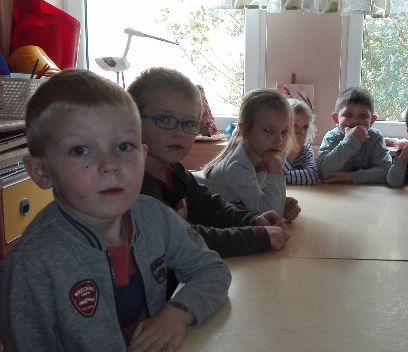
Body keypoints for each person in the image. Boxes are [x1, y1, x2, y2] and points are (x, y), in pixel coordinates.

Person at [0, 69, 232, 352]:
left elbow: (212, 270)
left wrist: (178, 312)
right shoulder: (31, 265)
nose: (110, 165)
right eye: (80, 150)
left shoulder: (154, 217)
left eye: (123, 147)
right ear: (41, 171)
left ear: (142, 152)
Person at [128, 68, 289, 264]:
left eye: (189, 123)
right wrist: (257, 237)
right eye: (164, 119)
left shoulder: (174, 169)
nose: (179, 132)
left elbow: (210, 206)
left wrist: (252, 219)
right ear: (132, 120)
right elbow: (184, 238)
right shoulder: (136, 188)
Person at [194, 89, 301, 221]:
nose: (279, 140)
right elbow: (270, 217)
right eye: (268, 130)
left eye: (284, 131)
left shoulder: (264, 153)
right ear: (245, 131)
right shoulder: (237, 166)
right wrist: (276, 170)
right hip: (186, 193)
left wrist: (280, 202)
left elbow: (258, 199)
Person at [317, 86, 391, 183]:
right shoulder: (331, 137)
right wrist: (351, 140)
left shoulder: (375, 137)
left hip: (367, 190)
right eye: (348, 115)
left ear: (372, 120)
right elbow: (323, 171)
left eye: (363, 116)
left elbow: (386, 171)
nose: (355, 121)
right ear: (336, 119)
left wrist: (350, 177)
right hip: (335, 190)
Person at [284, 98, 320, 185]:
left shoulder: (305, 150)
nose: (302, 132)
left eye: (305, 127)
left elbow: (312, 176)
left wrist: (282, 177)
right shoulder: (276, 148)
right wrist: (293, 152)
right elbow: (270, 178)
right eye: (294, 126)